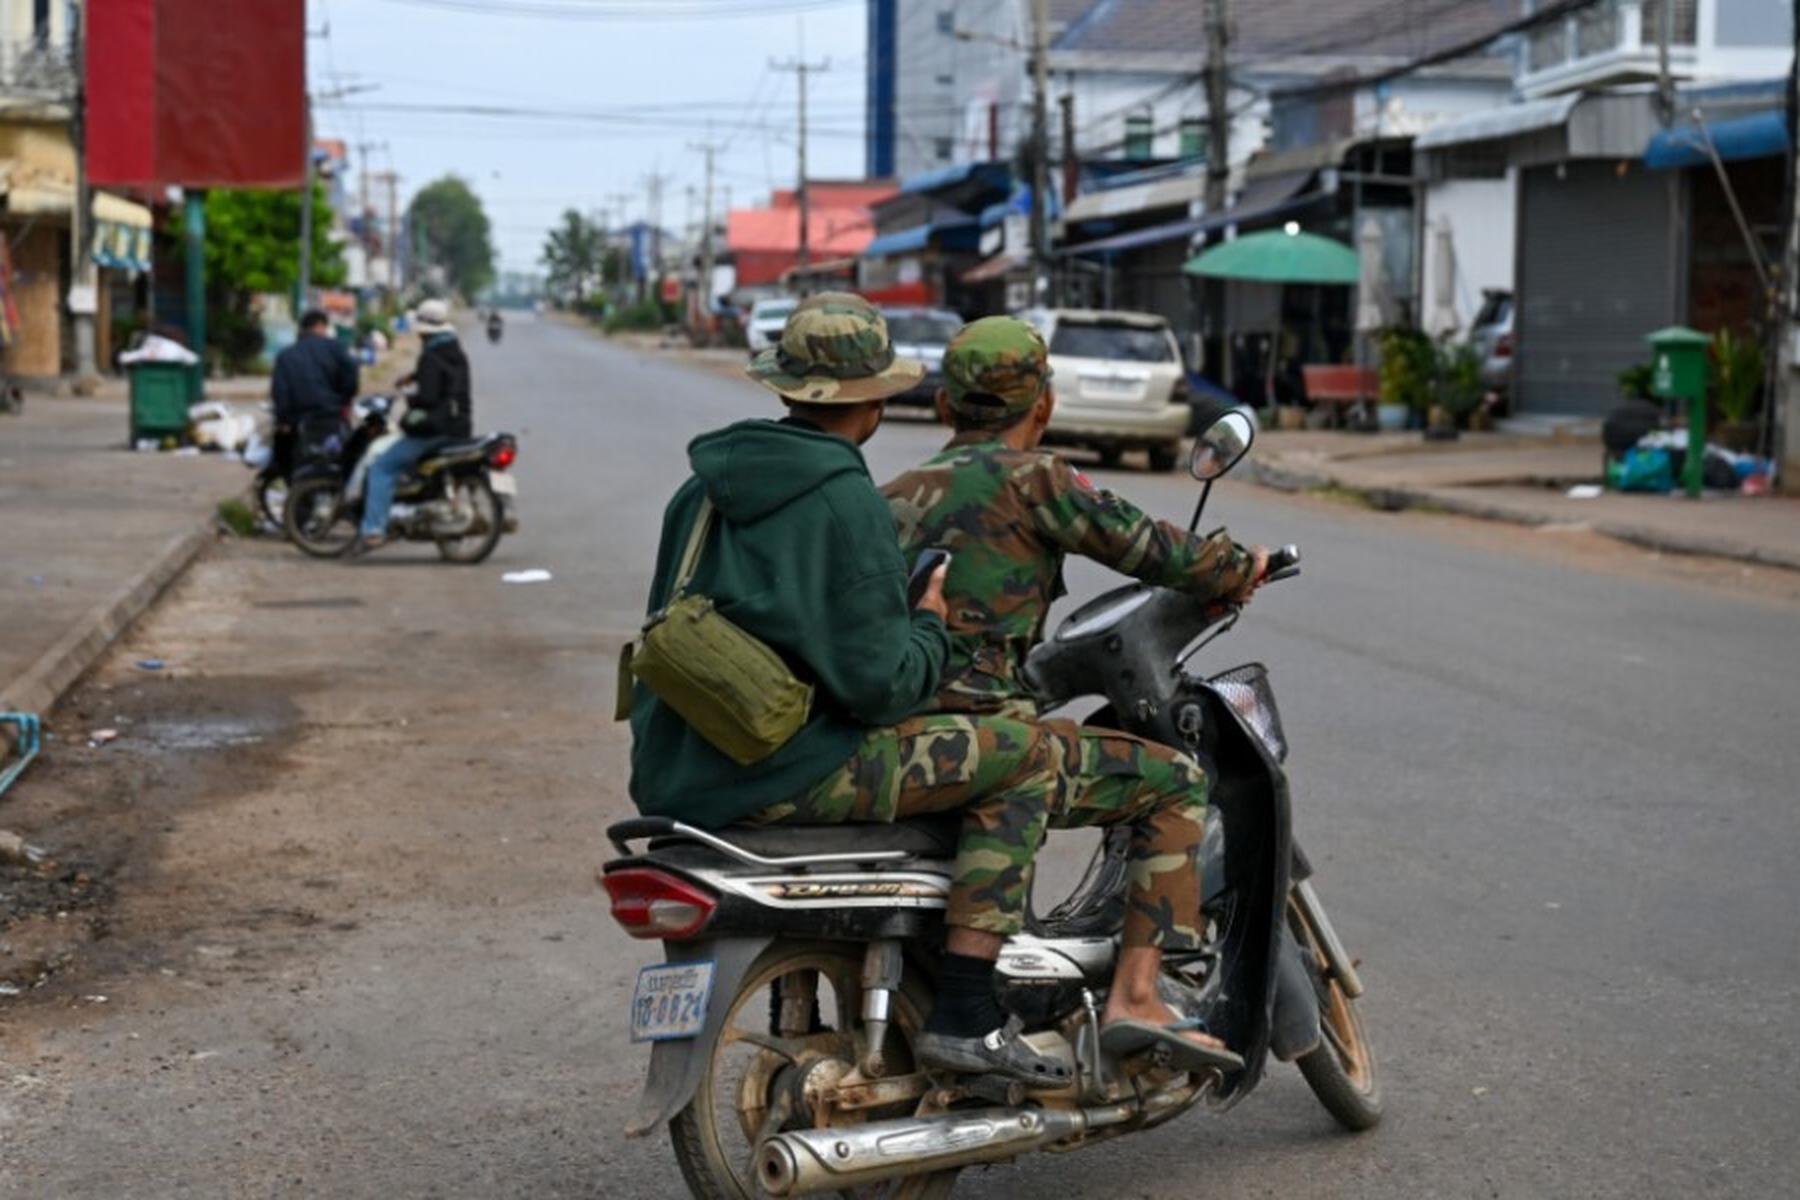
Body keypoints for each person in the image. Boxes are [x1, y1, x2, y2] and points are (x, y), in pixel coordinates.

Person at [627, 294, 1072, 1084]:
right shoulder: (846, 499)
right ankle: (969, 1010)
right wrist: (929, 622)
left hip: (675, 774)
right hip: (785, 773)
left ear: (785, 386)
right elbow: (883, 688)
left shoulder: (698, 494)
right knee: (1026, 756)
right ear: (874, 403)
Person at [881, 315, 1270, 1067]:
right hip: (992, 738)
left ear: (945, 406)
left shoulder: (893, 495)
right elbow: (1146, 545)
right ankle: (1136, 995)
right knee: (1174, 782)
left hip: (908, 740)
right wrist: (1234, 566)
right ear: (1044, 405)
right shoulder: (1039, 481)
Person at [352, 299, 471, 555]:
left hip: (436, 429)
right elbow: (443, 379)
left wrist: (410, 397)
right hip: (459, 426)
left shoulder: (431, 356)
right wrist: (412, 377)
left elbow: (428, 396)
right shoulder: (453, 351)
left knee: (382, 467)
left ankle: (373, 530)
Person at [268, 308, 358, 482]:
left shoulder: (286, 356)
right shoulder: (336, 348)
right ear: (321, 326)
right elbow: (351, 377)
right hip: (332, 418)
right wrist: (344, 399)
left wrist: (283, 421)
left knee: (293, 464)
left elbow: (280, 393)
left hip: (300, 423)